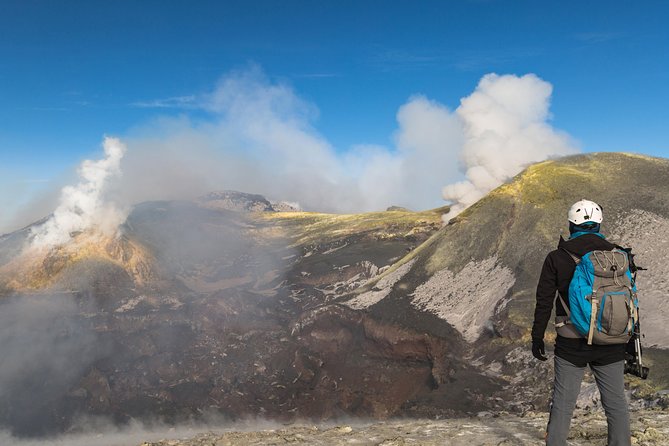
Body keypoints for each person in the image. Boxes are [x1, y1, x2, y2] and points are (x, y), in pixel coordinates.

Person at [532, 199, 631, 446]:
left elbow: (544, 301)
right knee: (616, 404)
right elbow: (630, 300)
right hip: (611, 339)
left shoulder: (557, 257)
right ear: (598, 224)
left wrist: (537, 337)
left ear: (571, 225)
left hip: (572, 340)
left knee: (563, 404)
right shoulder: (618, 256)